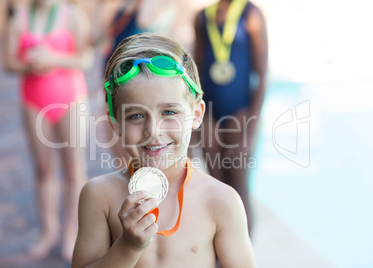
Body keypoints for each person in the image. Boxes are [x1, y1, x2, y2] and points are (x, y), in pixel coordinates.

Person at [72, 32, 255, 268]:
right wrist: (128, 247)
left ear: (196, 115)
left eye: (169, 112)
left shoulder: (221, 201)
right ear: (115, 124)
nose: (153, 130)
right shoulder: (99, 196)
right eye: (136, 116)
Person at [3, 0, 92, 262]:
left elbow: (86, 58)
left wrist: (53, 58)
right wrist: (31, 63)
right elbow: (8, 62)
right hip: (33, 100)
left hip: (71, 99)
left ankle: (71, 233)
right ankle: (49, 231)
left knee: (74, 170)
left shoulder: (73, 14)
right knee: (43, 169)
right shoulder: (18, 18)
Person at [194, 0, 268, 234]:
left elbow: (262, 76)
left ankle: (245, 257)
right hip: (210, 115)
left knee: (238, 188)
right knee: (217, 186)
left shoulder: (251, 15)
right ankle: (222, 253)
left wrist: (250, 131)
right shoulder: (202, 17)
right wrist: (195, 123)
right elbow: (196, 73)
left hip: (240, 114)